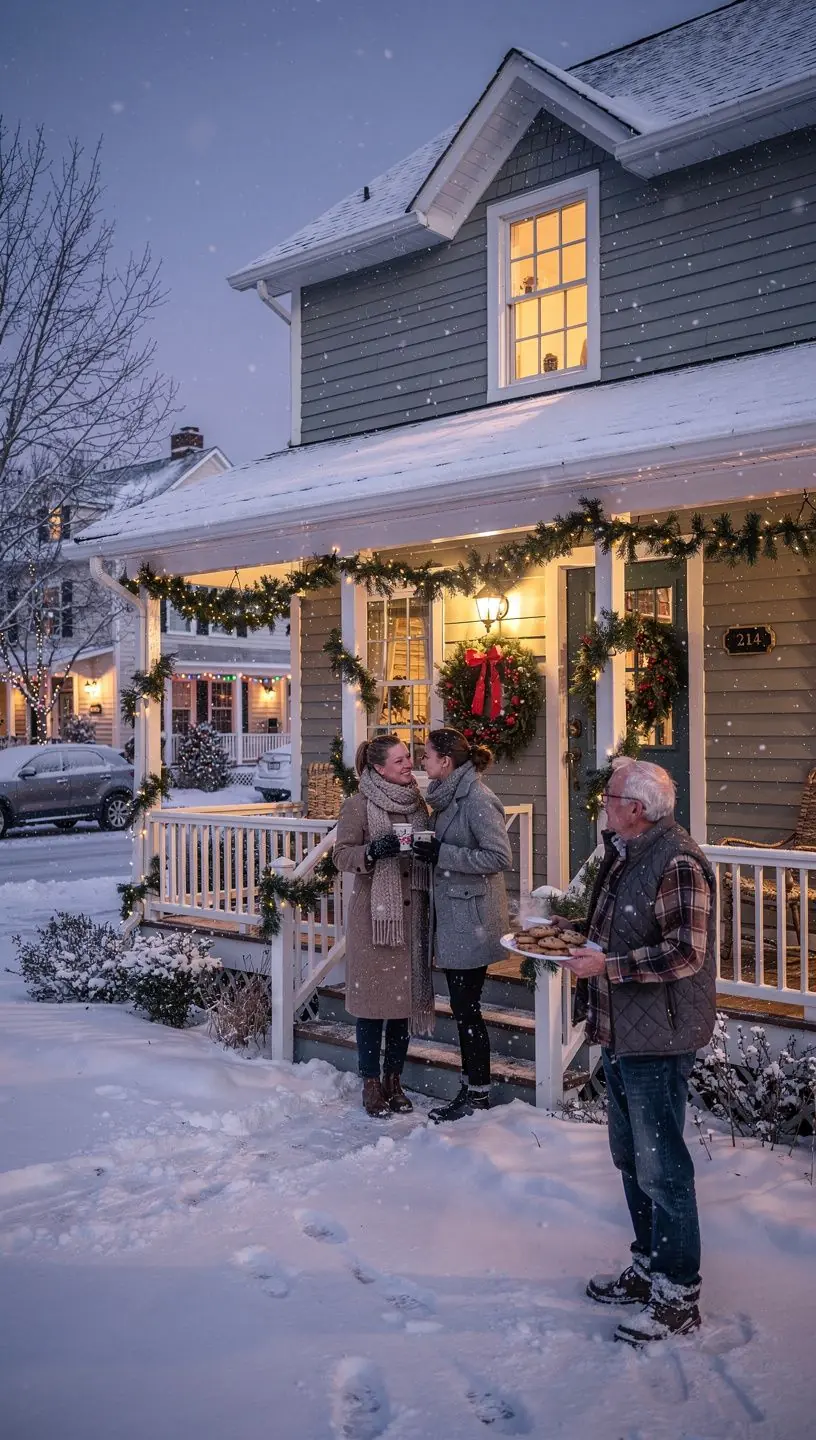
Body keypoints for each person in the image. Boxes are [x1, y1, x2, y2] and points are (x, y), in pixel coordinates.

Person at [555, 759, 716, 1345]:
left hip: (659, 1037)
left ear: (638, 808)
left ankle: (677, 1294)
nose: (604, 803)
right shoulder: (627, 852)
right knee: (632, 1158)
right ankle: (649, 1266)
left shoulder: (676, 861)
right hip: (623, 1032)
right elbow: (620, 926)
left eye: (611, 796)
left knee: (662, 1167)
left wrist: (610, 966)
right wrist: (572, 932)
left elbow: (686, 952)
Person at [414, 727, 512, 1123]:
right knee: (462, 1007)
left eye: (426, 755)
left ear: (446, 761)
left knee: (466, 1009)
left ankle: (477, 1093)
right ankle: (472, 1088)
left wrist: (443, 853)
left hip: (472, 918)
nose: (422, 761)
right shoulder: (446, 796)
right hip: (455, 917)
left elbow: (498, 857)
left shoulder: (477, 799)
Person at [333, 735, 435, 1117]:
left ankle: (394, 1080)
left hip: (411, 915)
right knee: (373, 1005)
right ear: (378, 768)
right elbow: (341, 856)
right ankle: (371, 1083)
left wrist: (429, 851)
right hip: (375, 919)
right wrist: (372, 852)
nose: (409, 764)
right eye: (399, 760)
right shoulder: (358, 805)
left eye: (408, 757)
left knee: (402, 1004)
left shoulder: (418, 804)